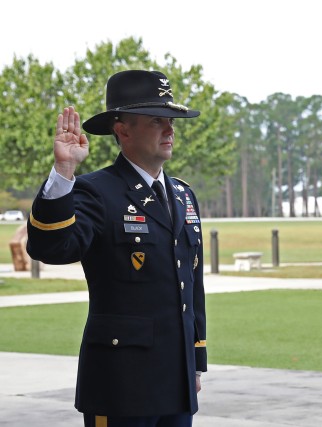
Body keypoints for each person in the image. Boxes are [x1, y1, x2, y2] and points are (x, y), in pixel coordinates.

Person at [27, 70, 207, 427]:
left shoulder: (184, 196)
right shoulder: (97, 191)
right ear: (122, 129)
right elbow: (54, 246)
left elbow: (191, 284)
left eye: (171, 120)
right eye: (157, 121)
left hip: (178, 381)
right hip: (121, 383)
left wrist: (196, 361)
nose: (170, 130)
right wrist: (64, 171)